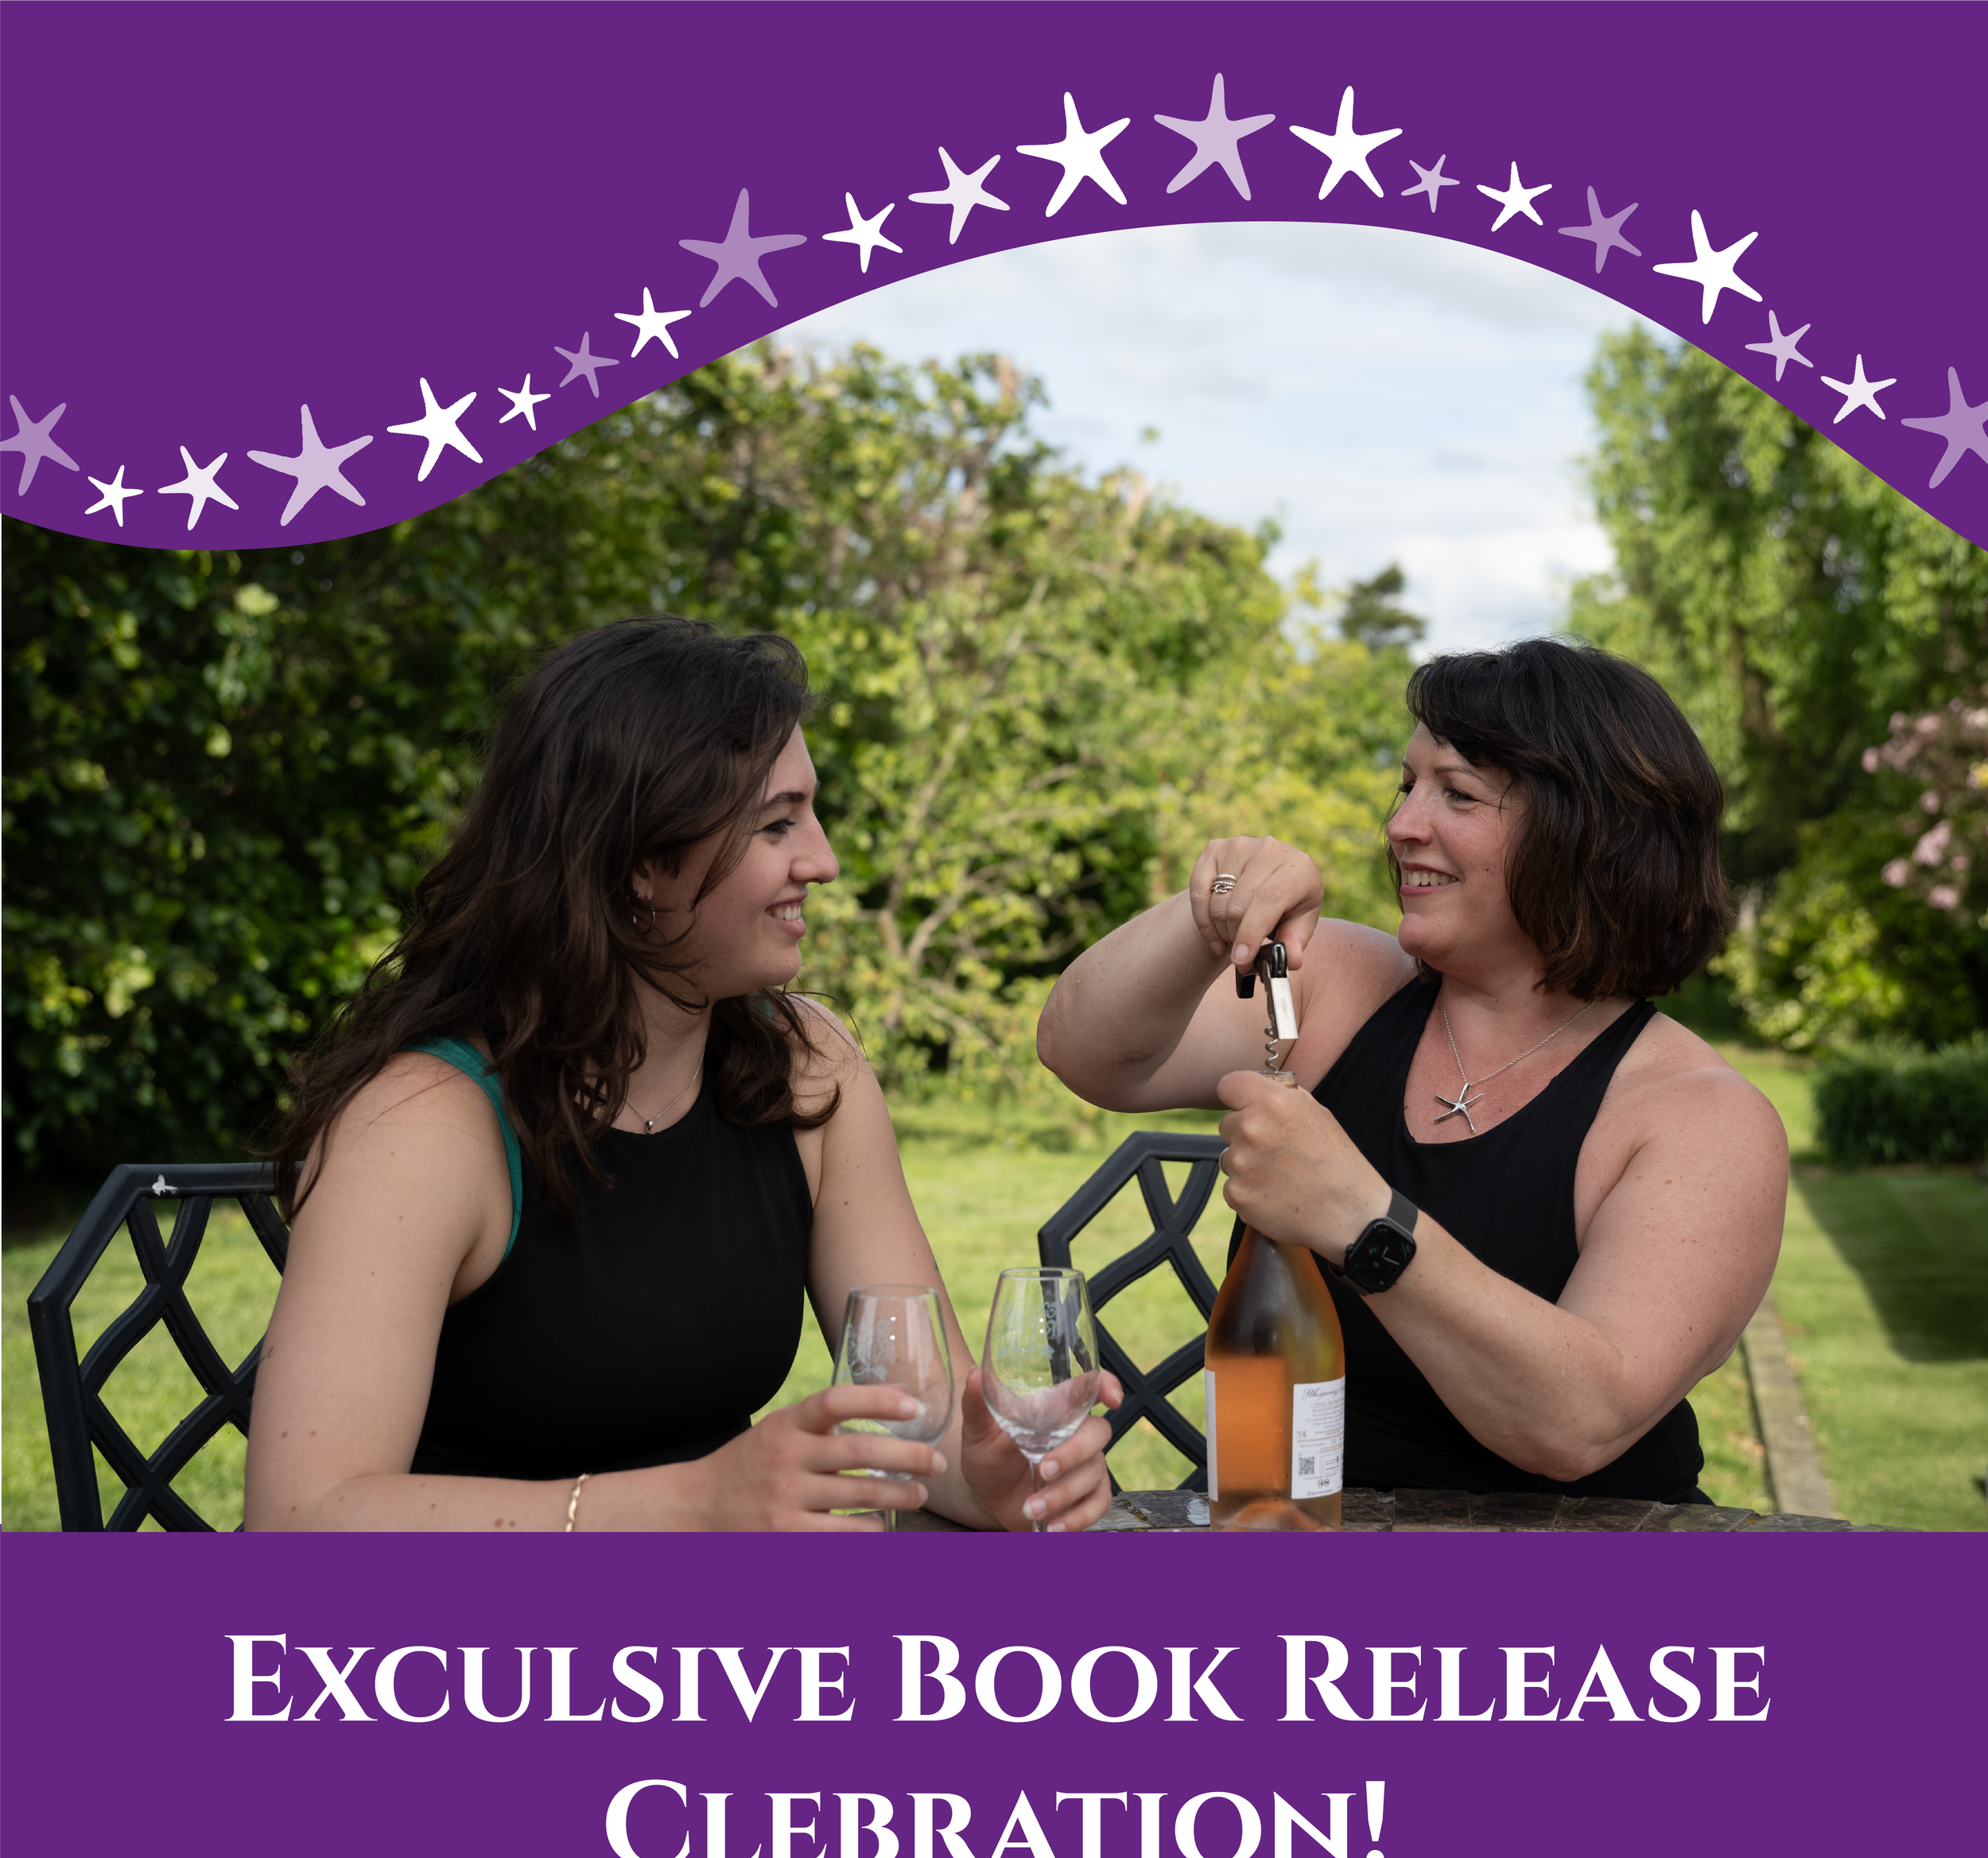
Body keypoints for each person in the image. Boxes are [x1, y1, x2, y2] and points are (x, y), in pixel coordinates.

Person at [244, 617, 1120, 1532]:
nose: (820, 860)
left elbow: (914, 1418)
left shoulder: (808, 1071)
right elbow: (301, 1514)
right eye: (776, 823)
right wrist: (696, 1503)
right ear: (638, 864)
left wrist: (986, 1472)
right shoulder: (425, 1122)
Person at [1036, 638, 1788, 1503]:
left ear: (1588, 831)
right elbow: (1083, 1048)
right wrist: (1212, 913)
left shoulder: (1699, 1117)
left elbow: (1580, 1420)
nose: (1401, 825)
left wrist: (1360, 1220)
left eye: (1456, 792)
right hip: (1273, 1536)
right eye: (1407, 784)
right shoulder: (1333, 987)